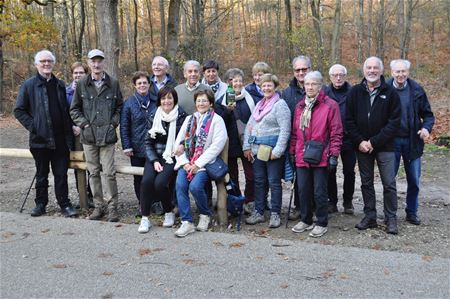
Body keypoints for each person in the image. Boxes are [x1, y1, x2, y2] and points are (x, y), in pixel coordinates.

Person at [14, 49, 77, 217]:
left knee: (61, 175)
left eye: (49, 61)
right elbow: (19, 110)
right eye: (43, 61)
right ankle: (40, 204)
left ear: (53, 63)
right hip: (39, 140)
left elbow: (65, 111)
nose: (46, 64)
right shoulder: (29, 85)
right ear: (36, 64)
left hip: (60, 140)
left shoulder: (60, 85)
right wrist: (34, 126)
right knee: (41, 175)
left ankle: (64, 204)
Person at [346, 56, 401, 234]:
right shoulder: (354, 92)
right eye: (368, 68)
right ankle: (370, 216)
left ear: (381, 70)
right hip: (361, 147)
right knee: (366, 183)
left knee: (389, 183)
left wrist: (373, 142)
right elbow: (349, 121)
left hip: (385, 146)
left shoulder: (391, 93)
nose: (372, 71)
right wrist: (360, 141)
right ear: (364, 71)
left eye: (375, 68)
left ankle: (391, 218)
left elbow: (394, 123)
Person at [70, 49, 123, 222]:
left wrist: (113, 124)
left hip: (107, 136)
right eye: (93, 61)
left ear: (103, 62)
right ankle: (98, 207)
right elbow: (74, 109)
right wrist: (84, 124)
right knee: (93, 172)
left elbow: (119, 107)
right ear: (89, 63)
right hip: (89, 137)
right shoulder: (82, 83)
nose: (96, 64)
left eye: (99, 60)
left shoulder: (113, 83)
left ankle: (113, 207)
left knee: (109, 172)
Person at [289, 71, 343, 238]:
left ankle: (321, 222)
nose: (310, 87)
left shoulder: (330, 105)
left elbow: (336, 132)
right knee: (303, 189)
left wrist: (334, 155)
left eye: (314, 84)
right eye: (307, 84)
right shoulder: (299, 106)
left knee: (319, 191)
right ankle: (305, 219)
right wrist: (292, 151)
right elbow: (295, 133)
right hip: (301, 154)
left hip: (321, 154)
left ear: (320, 86)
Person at [172, 89, 227, 237]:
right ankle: (187, 222)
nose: (201, 103)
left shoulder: (217, 120)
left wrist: (197, 164)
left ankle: (205, 214)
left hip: (205, 164)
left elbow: (216, 146)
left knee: (196, 187)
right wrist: (184, 163)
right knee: (180, 185)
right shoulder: (190, 119)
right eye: (198, 101)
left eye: (204, 101)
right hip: (187, 162)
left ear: (210, 103)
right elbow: (179, 142)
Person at [388, 59, 435, 225]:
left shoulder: (416, 90)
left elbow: (428, 115)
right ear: (391, 72)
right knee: (389, 179)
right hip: (391, 142)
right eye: (397, 72)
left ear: (408, 72)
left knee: (414, 179)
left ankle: (412, 211)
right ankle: (390, 213)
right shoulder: (385, 89)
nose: (400, 75)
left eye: (403, 71)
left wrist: (426, 129)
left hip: (412, 141)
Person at [243, 74, 291, 228]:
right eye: (263, 85)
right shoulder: (260, 105)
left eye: (269, 85)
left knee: (274, 182)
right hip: (258, 151)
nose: (266, 88)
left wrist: (278, 151)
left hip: (272, 151)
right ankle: (259, 211)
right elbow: (250, 126)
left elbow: (285, 130)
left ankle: (275, 214)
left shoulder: (280, 105)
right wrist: (247, 146)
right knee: (259, 181)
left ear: (275, 86)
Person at [138, 87, 187, 233]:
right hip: (155, 157)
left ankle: (168, 212)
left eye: (170, 98)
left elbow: (188, 137)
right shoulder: (154, 115)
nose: (167, 101)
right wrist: (154, 160)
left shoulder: (183, 115)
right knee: (146, 182)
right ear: (159, 101)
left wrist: (182, 146)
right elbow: (147, 142)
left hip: (172, 157)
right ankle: (145, 218)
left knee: (160, 184)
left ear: (175, 100)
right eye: (163, 98)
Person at [215, 68, 255, 213]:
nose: (236, 83)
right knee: (232, 177)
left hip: (247, 144)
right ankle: (236, 202)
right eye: (233, 80)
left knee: (251, 176)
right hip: (230, 145)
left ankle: (250, 200)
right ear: (228, 83)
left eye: (239, 80)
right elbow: (218, 122)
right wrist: (227, 111)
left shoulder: (249, 99)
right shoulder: (221, 101)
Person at [120, 71, 157, 216]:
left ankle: (155, 202)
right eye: (139, 83)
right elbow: (124, 126)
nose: (142, 85)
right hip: (136, 146)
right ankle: (142, 204)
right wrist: (126, 146)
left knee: (153, 176)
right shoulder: (129, 103)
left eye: (145, 82)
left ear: (149, 84)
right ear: (135, 85)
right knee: (138, 177)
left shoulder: (155, 101)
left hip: (153, 146)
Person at [282, 55, 312, 220]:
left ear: (310, 69)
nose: (301, 73)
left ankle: (316, 207)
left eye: (304, 69)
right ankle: (300, 207)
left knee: (317, 177)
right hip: (296, 141)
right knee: (299, 177)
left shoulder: (320, 88)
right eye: (297, 70)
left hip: (316, 141)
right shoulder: (287, 92)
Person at [324, 64, 356, 215]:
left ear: (345, 76)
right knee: (330, 171)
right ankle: (332, 202)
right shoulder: (324, 92)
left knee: (349, 171)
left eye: (341, 75)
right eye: (335, 75)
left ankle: (348, 201)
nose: (338, 78)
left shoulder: (354, 92)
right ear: (330, 77)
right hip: (329, 139)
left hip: (349, 139)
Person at [66, 62, 94, 207]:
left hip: (88, 131)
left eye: (81, 73)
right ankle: (82, 196)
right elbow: (63, 112)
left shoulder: (91, 89)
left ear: (86, 74)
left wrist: (82, 125)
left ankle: (92, 194)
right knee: (78, 165)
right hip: (72, 134)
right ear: (72, 74)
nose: (78, 75)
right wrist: (72, 126)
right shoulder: (65, 92)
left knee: (91, 164)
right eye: (75, 73)